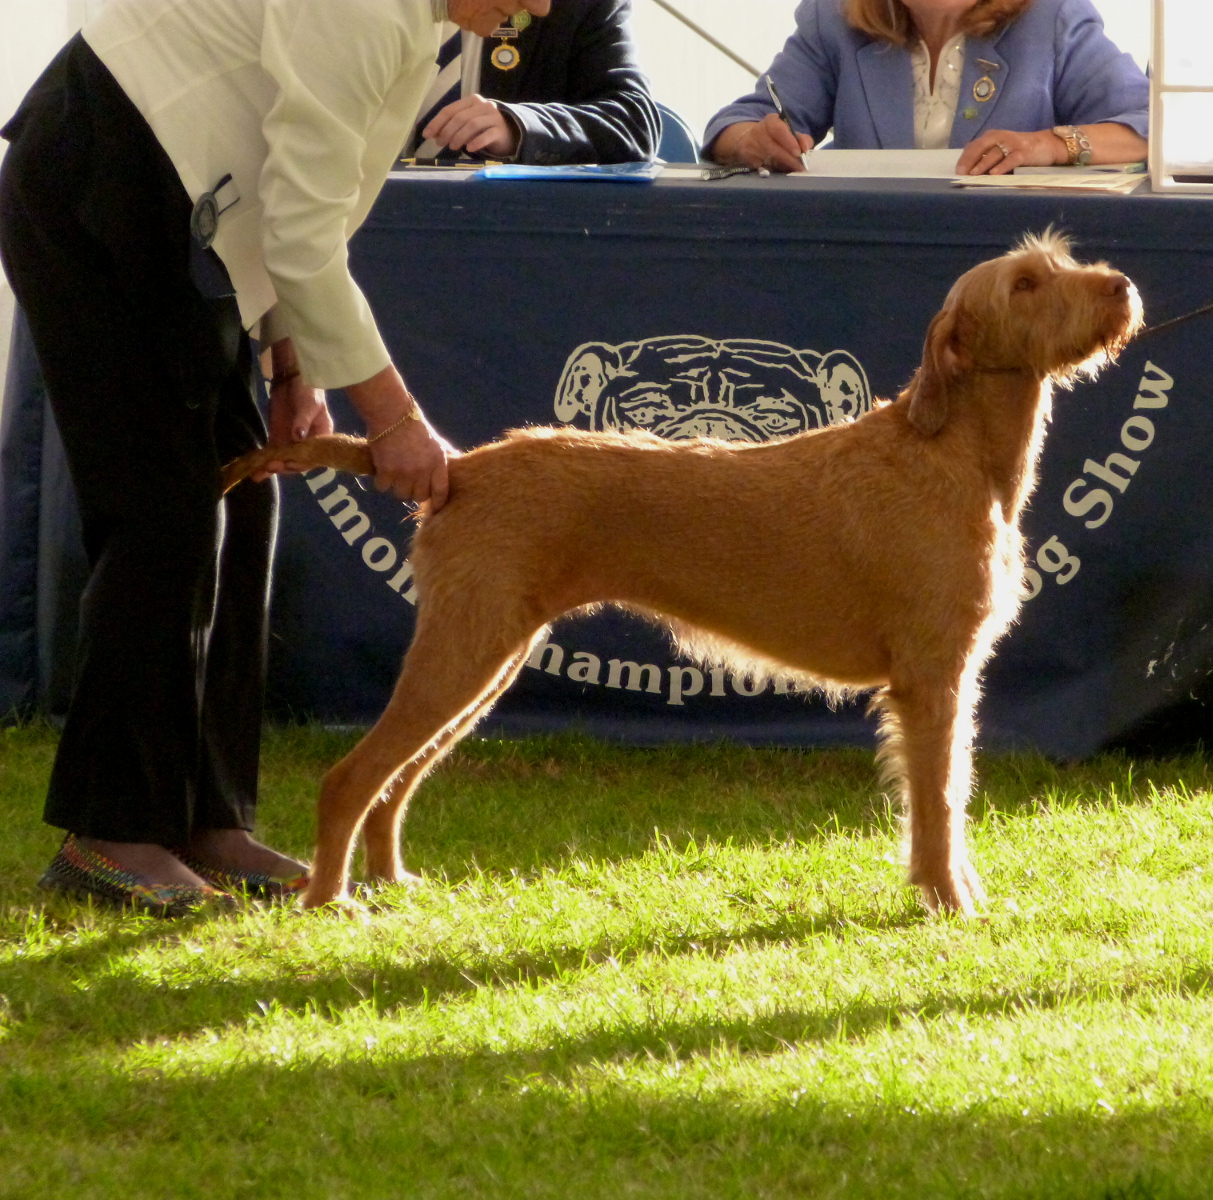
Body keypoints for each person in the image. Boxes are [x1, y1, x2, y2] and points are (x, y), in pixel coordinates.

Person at [0, 0, 543, 916]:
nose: (540, 8)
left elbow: (315, 199)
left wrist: (291, 364)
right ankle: (110, 836)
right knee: (161, 513)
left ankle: (206, 820)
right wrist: (396, 419)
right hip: (97, 179)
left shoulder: (422, 17)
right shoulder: (367, 8)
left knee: (243, 497)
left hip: (182, 209)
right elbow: (298, 227)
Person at [703, 0, 1149, 175]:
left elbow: (1156, 127)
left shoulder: (1052, 19)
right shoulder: (834, 19)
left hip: (1010, 275)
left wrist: (1049, 145)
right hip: (867, 260)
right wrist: (751, 141)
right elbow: (735, 124)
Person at [410, 0, 661, 165]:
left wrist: (519, 127)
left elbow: (633, 123)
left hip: (505, 215)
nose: (540, 8)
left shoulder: (581, 5)